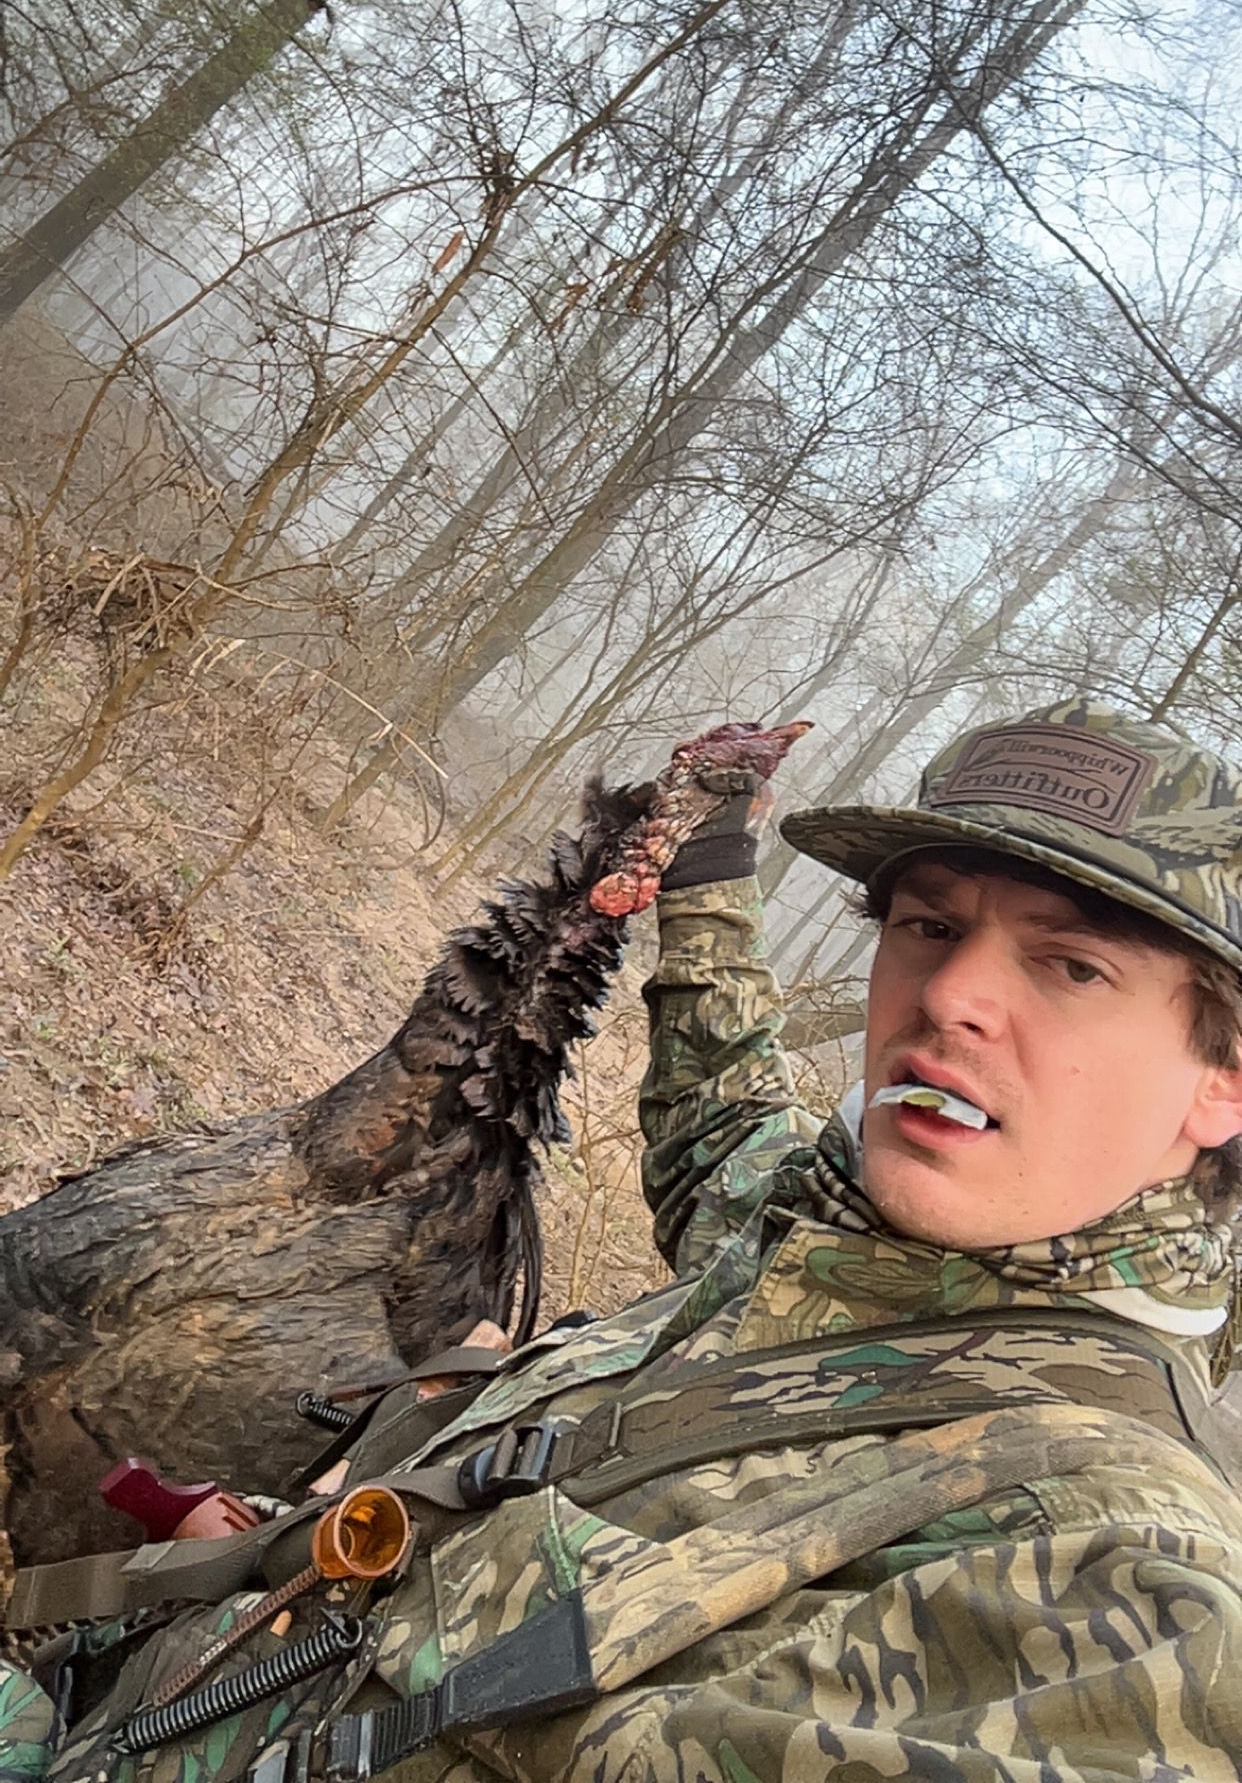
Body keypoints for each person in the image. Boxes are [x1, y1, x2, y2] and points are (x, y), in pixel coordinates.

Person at [8, 696, 1242, 1782]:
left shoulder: (1119, 1584)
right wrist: (706, 863)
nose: (954, 996)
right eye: (926, 926)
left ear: (1222, 1081)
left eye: (1072, 967)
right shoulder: (816, 1232)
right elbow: (722, 1115)